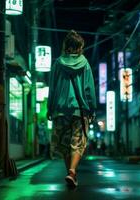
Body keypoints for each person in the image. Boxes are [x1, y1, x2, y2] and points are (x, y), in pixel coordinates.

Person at [47, 30, 96, 187]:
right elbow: (89, 89)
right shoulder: (85, 64)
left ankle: (70, 173)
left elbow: (52, 88)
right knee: (77, 142)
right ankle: (72, 172)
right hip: (79, 110)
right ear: (80, 47)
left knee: (64, 144)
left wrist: (50, 108)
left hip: (60, 110)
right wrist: (92, 109)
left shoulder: (57, 63)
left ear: (65, 46)